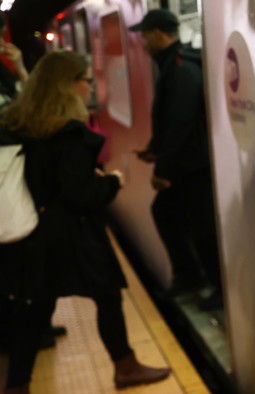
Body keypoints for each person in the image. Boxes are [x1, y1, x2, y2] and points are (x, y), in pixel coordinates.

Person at [0, 51, 170, 393]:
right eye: (87, 81)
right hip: (74, 232)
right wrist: (112, 182)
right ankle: (126, 367)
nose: (91, 89)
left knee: (34, 309)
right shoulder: (70, 133)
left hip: (39, 229)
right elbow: (80, 194)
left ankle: (16, 385)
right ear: (69, 86)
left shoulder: (24, 123)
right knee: (107, 294)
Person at [130, 9, 223, 309]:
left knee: (202, 227)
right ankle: (191, 275)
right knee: (169, 214)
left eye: (145, 35)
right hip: (185, 162)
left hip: (193, 165)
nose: (143, 42)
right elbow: (169, 119)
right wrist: (154, 147)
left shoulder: (181, 69)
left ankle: (218, 288)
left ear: (159, 34)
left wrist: (162, 169)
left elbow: (181, 122)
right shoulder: (172, 65)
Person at [0, 17, 29, 108]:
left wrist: (20, 69)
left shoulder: (3, 71)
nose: (2, 42)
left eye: (2, 36)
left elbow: (30, 101)